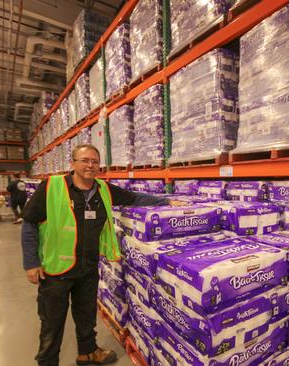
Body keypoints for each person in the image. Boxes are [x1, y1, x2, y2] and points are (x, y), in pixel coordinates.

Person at [21, 144, 182, 366]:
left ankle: (87, 353)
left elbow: (134, 198)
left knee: (86, 315)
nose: (90, 165)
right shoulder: (51, 186)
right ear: (73, 163)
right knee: (52, 323)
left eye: (94, 161)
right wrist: (31, 262)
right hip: (55, 269)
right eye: (84, 160)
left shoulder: (103, 190)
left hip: (87, 268)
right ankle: (48, 362)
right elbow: (29, 222)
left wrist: (166, 201)